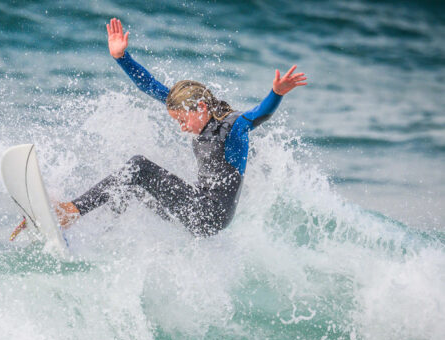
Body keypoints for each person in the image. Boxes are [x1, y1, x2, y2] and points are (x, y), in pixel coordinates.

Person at [15, 18, 307, 239]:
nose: (181, 128)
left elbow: (260, 114)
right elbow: (150, 86)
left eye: (182, 120)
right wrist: (121, 58)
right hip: (199, 208)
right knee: (129, 187)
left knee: (139, 167)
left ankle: (71, 212)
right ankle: (84, 232)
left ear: (200, 108)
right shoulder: (198, 115)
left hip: (208, 215)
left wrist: (277, 93)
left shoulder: (232, 128)